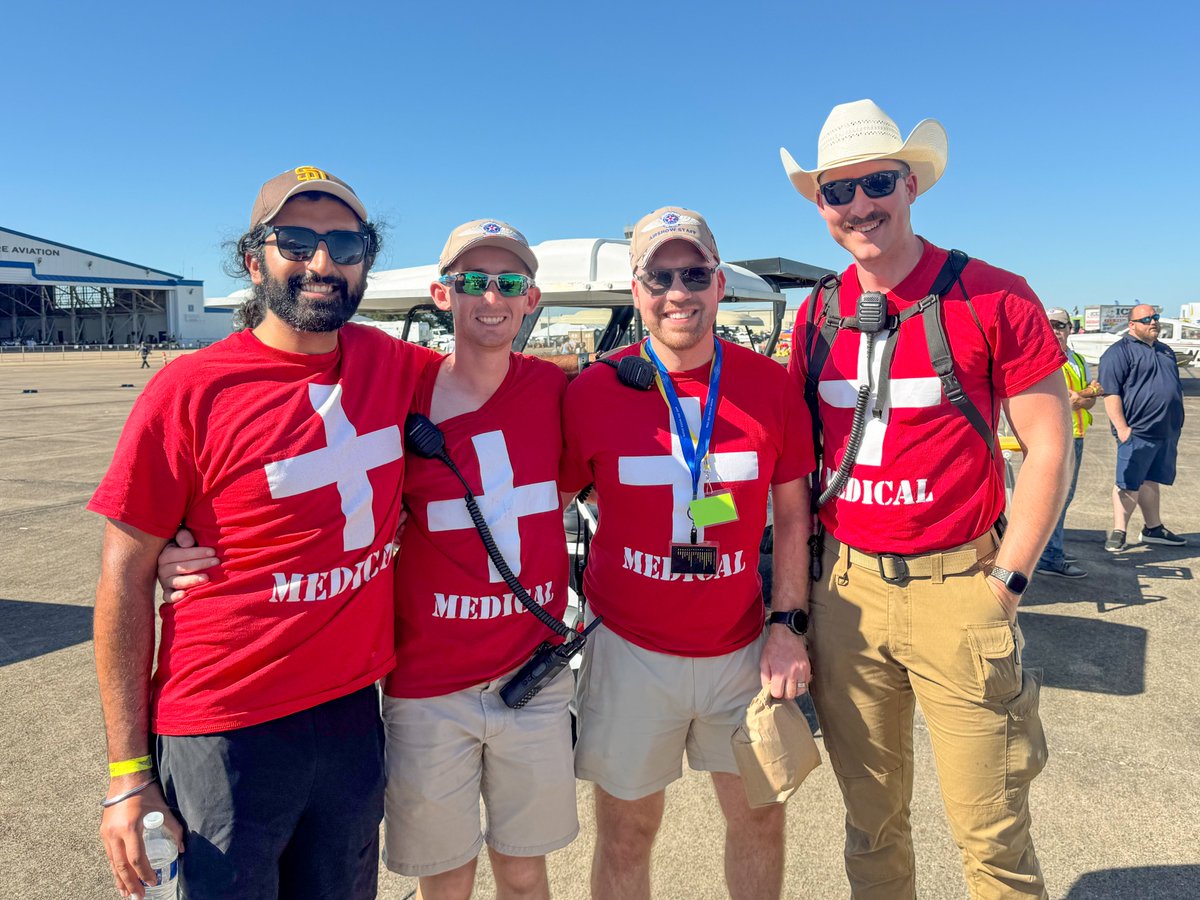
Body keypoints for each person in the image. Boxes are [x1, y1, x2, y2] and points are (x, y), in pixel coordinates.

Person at [90, 165, 439, 900]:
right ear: (254, 260)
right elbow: (123, 575)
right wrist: (127, 775)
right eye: (296, 242)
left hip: (350, 716)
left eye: (346, 245)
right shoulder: (189, 391)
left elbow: (502, 379)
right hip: (225, 727)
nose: (323, 262)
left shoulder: (390, 362)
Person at [780, 100, 1071, 898]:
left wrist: (1007, 581)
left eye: (877, 182)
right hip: (847, 594)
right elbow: (791, 465)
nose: (859, 205)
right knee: (871, 828)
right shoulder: (815, 313)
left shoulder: (994, 295)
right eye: (838, 191)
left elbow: (1049, 445)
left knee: (993, 839)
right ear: (821, 205)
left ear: (911, 183)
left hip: (961, 588)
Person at [560, 206, 815, 900]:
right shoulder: (596, 389)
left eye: (695, 275)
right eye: (660, 277)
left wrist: (788, 626)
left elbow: (792, 515)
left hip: (741, 648)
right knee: (626, 834)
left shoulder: (770, 387)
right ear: (636, 289)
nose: (679, 292)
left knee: (760, 819)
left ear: (719, 283)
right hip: (628, 649)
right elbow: (545, 505)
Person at [380, 220, 576, 899]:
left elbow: (614, 468)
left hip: (533, 677)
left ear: (530, 299)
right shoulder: (401, 393)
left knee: (524, 871)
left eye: (509, 282)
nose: (491, 297)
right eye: (472, 281)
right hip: (429, 686)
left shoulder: (556, 390)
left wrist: (720, 518)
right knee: (446, 876)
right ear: (444, 294)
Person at [1098, 303, 1187, 551]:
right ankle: (1119, 531)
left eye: (1155, 317)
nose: (1153, 322)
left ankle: (1153, 528)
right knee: (1128, 482)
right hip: (1137, 431)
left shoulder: (1165, 351)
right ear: (1132, 325)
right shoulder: (1118, 353)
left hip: (1166, 431)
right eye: (1146, 319)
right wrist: (1122, 428)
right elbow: (1111, 393)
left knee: (1151, 479)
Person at [1035, 307, 1100, 577]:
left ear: (1070, 329)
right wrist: (1086, 394)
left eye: (1060, 325)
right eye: (1049, 324)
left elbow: (1088, 400)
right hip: (1053, 437)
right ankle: (1049, 556)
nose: (1055, 330)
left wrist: (1083, 397)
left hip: (1076, 435)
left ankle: (1052, 548)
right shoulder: (1041, 357)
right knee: (1055, 496)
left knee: (1065, 496)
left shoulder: (1077, 360)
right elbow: (1062, 400)